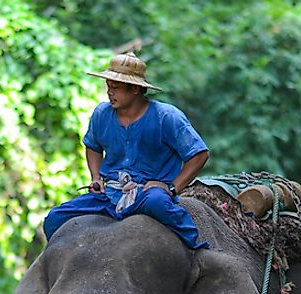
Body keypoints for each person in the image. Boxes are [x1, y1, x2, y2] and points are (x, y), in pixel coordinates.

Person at [42, 52, 211, 249]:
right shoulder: (101, 114)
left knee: (159, 204)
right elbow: (92, 146)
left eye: (116, 88)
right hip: (110, 193)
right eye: (108, 86)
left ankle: (196, 250)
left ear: (135, 89)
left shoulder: (167, 116)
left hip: (147, 194)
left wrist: (172, 187)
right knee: (54, 218)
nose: (109, 92)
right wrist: (96, 177)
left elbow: (199, 154)